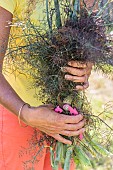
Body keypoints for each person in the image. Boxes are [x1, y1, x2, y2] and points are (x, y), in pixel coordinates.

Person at [0, 1, 93, 170]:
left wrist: (85, 65)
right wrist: (26, 113)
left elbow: (87, 37)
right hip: (17, 113)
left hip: (65, 117)